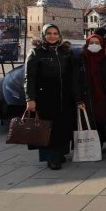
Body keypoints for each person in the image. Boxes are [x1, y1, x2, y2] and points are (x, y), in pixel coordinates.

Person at [24, 24, 81, 170]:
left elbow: (72, 75)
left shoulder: (65, 52)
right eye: (49, 33)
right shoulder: (36, 53)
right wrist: (30, 98)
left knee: (63, 127)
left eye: (55, 33)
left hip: (64, 97)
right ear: (43, 35)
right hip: (46, 97)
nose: (52, 36)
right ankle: (51, 158)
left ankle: (60, 153)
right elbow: (29, 77)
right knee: (49, 129)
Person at [77, 34, 106, 148]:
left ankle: (101, 142)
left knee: (101, 118)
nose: (94, 45)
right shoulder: (81, 58)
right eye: (91, 42)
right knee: (88, 118)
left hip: (102, 94)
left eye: (97, 43)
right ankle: (91, 144)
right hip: (87, 94)